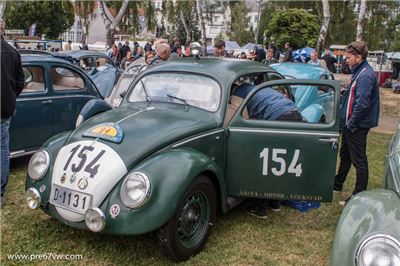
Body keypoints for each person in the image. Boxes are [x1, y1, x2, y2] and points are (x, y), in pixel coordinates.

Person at [233, 83, 303, 218]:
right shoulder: (256, 88)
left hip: (278, 118)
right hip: (294, 113)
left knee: (266, 164)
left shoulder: (237, 94)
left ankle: (260, 208)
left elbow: (242, 118)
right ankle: (275, 202)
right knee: (281, 163)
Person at [333, 41, 380, 206]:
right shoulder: (360, 71)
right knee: (345, 154)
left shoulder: (365, 75)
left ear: (358, 57)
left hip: (357, 125)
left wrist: (352, 123)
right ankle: (337, 183)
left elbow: (362, 104)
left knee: (359, 160)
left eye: (348, 57)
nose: (346, 60)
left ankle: (359, 194)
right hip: (351, 124)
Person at [1, 18, 25, 205]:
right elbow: (20, 81)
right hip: (5, 106)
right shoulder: (12, 52)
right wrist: (11, 95)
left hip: (6, 106)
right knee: (2, 149)